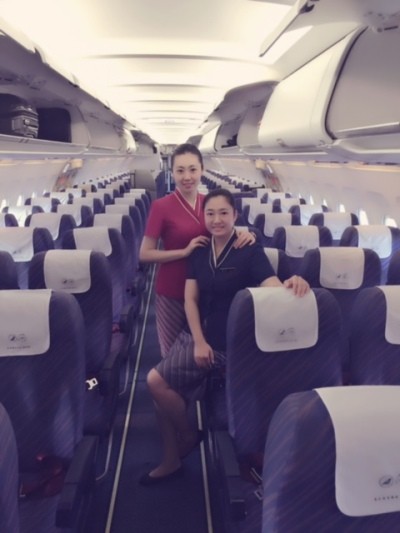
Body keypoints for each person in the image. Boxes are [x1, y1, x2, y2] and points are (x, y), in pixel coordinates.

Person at [139, 188, 310, 485]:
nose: (216, 220)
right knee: (161, 394)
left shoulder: (249, 250)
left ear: (235, 216)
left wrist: (291, 283)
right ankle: (172, 458)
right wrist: (198, 340)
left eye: (223, 213)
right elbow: (190, 299)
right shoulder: (200, 250)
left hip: (231, 344)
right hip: (198, 336)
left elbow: (270, 285)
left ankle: (187, 436)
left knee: (155, 382)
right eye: (210, 213)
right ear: (204, 216)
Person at [139, 143, 255, 357]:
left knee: (205, 354)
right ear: (172, 172)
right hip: (172, 290)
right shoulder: (161, 206)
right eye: (180, 170)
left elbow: (223, 231)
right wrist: (183, 252)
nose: (187, 177)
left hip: (207, 289)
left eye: (193, 169)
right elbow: (145, 254)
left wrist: (246, 234)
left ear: (202, 170)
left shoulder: (210, 203)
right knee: (173, 357)